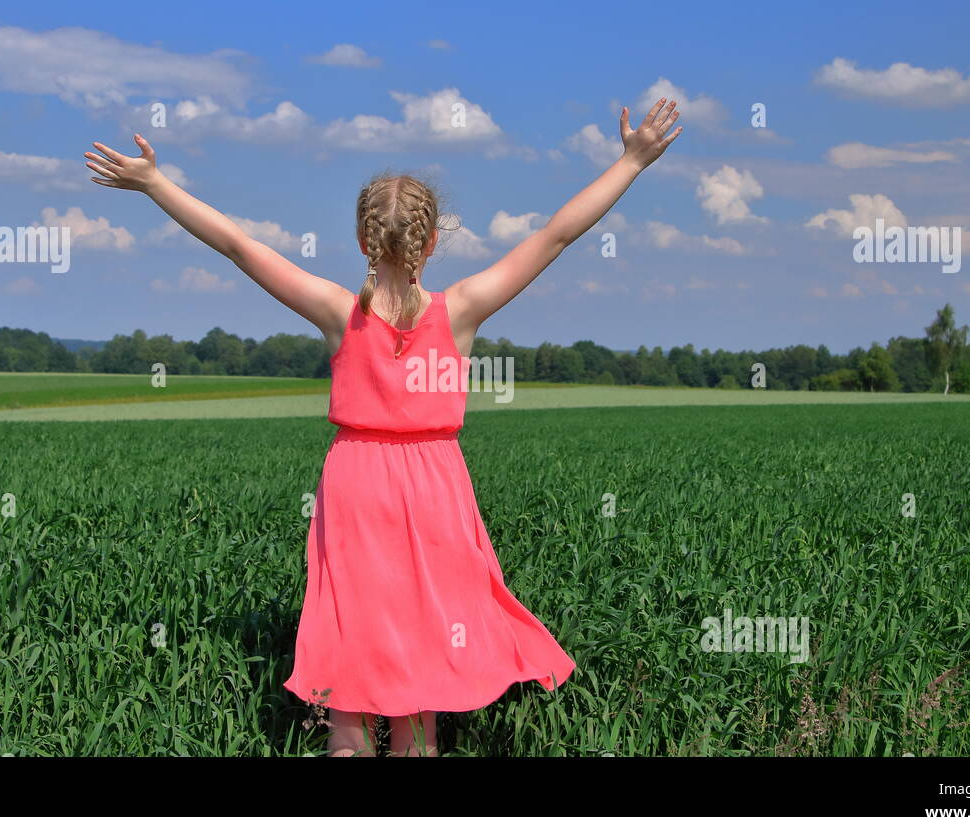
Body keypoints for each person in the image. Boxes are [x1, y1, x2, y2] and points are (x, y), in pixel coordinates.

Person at [84, 97, 683, 756]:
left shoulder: (338, 312)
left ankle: (348, 739)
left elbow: (236, 245)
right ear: (431, 240)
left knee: (355, 649)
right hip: (436, 486)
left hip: (356, 483)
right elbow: (558, 235)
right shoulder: (463, 310)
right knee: (423, 655)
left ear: (364, 241)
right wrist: (631, 161)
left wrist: (153, 182)